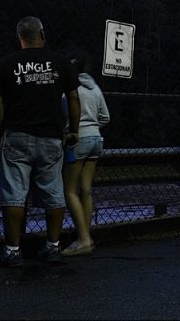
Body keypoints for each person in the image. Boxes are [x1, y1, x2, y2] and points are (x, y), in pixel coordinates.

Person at [0, 16, 80, 267]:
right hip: (51, 136)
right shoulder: (61, 62)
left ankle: (12, 250)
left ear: (20, 37)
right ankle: (53, 247)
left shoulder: (5, 64)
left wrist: (2, 128)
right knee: (54, 193)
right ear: (42, 34)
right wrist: (73, 129)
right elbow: (73, 98)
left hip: (17, 134)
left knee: (14, 194)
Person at [61, 49, 110, 257]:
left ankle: (83, 239)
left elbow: (64, 117)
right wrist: (93, 126)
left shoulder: (69, 91)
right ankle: (86, 236)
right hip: (96, 140)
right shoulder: (95, 89)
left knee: (69, 190)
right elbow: (106, 117)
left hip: (78, 139)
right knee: (86, 189)